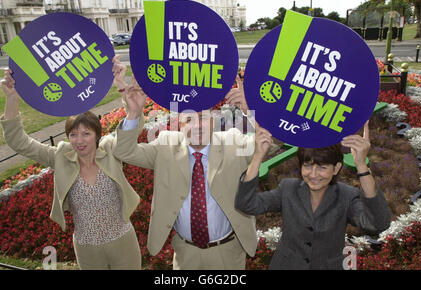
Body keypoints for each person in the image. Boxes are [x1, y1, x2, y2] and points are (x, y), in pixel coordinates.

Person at [112, 60, 259, 270]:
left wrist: (251, 109)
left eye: (202, 118)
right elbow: (124, 151)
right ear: (179, 125)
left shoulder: (234, 142)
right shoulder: (165, 146)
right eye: (188, 119)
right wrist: (134, 114)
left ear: (213, 121)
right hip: (185, 255)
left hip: (227, 254)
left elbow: (270, 143)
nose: (197, 125)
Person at [0, 56, 142, 270]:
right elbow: (19, 141)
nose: (80, 140)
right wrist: (12, 98)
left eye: (86, 133)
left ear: (97, 134)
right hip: (87, 248)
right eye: (73, 134)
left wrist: (122, 88)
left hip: (123, 241)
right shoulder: (60, 156)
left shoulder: (111, 149)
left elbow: (131, 129)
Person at [234, 122, 392, 270]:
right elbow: (246, 204)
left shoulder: (347, 196)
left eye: (322, 167)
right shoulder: (288, 189)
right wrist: (257, 157)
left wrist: (361, 166)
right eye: (307, 166)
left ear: (336, 168)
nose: (313, 174)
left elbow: (378, 224)